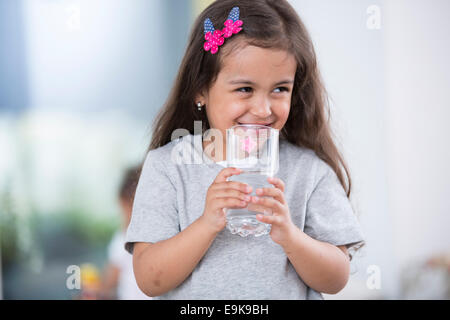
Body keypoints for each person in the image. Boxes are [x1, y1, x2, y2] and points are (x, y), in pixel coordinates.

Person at [125, 0, 365, 300]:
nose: (263, 109)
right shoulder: (168, 166)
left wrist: (291, 237)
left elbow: (335, 279)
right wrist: (207, 224)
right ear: (201, 89)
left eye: (280, 89)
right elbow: (150, 280)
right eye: (245, 89)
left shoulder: (309, 170)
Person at [100, 166, 151, 300]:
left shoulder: (124, 237)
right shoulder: (122, 237)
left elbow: (109, 282)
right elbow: (109, 281)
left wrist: (98, 289)